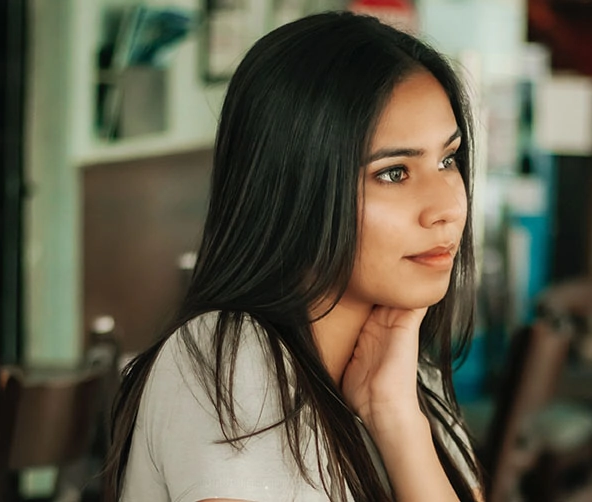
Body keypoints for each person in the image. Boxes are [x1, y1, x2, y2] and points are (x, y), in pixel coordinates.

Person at [104, 11, 484, 502]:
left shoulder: (410, 376)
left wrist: (395, 416)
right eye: (394, 172)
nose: (447, 208)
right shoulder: (231, 360)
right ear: (295, 189)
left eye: (447, 160)